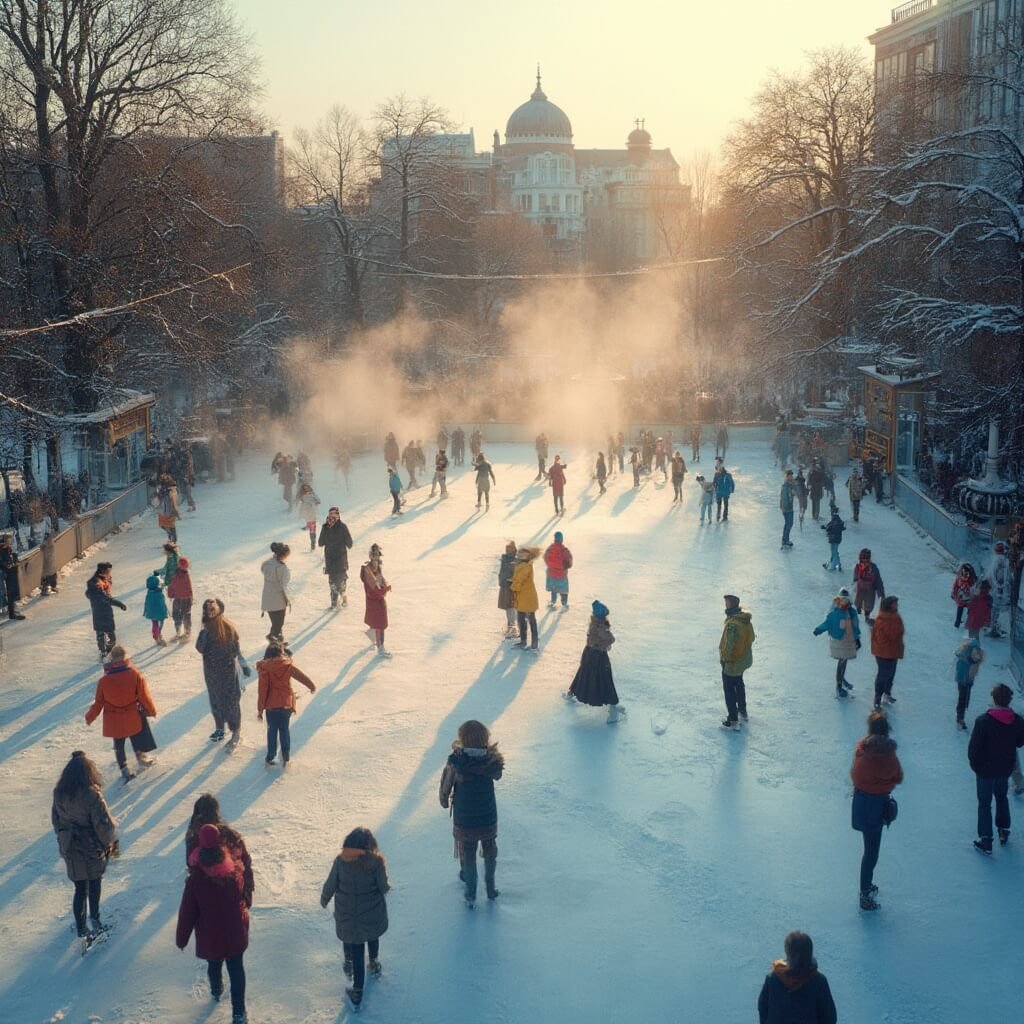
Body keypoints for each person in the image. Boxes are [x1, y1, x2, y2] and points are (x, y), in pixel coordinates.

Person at [176, 823, 250, 1024]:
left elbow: (187, 912)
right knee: (237, 971)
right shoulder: (234, 872)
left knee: (214, 964)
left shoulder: (195, 881)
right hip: (234, 933)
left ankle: (216, 990)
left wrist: (181, 939)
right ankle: (239, 1014)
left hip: (211, 936)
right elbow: (241, 900)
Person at [320, 827, 391, 1012]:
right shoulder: (376, 863)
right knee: (372, 936)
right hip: (372, 914)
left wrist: (324, 899)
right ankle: (374, 963)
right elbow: (384, 887)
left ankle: (352, 971)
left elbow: (330, 884)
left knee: (352, 941)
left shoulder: (340, 862)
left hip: (347, 915)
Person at [51, 751, 118, 947]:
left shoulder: (59, 793)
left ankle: (81, 927)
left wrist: (63, 839)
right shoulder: (92, 794)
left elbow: (55, 820)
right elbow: (103, 825)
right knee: (94, 883)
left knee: (80, 888)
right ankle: (95, 920)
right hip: (91, 846)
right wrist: (110, 845)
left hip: (70, 846)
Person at [438, 720, 504, 907]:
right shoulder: (491, 761)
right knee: (490, 848)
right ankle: (490, 889)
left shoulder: (456, 761)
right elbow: (498, 775)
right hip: (488, 816)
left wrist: (444, 799)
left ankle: (470, 892)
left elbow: (446, 783)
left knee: (468, 852)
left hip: (465, 818)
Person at [850, 710, 903, 910]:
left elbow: (855, 776)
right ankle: (865, 892)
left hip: (862, 803)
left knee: (869, 849)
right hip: (878, 805)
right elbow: (897, 777)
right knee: (872, 852)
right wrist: (882, 784)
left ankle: (866, 887)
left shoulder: (861, 750)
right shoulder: (889, 756)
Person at [85, 646, 158, 782]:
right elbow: (143, 696)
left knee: (119, 744)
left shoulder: (103, 681)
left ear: (111, 658)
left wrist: (90, 717)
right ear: (125, 657)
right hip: (132, 715)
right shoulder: (134, 674)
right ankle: (141, 758)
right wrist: (151, 710)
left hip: (113, 719)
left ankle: (124, 769)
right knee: (137, 736)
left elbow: (98, 703)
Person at [968, 683, 1024, 853]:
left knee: (984, 804)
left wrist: (976, 767)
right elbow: (1020, 742)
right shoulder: (1017, 721)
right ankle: (1004, 830)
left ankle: (986, 840)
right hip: (1004, 769)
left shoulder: (983, 721)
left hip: (985, 771)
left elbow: (973, 750)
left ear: (993, 698)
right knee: (1002, 798)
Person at [185, 794, 255, 911]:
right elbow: (246, 861)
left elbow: (191, 866)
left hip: (206, 900)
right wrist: (247, 895)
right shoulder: (231, 835)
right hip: (234, 894)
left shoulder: (194, 838)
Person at [196, 598, 251, 746]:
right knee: (215, 700)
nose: (210, 612)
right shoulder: (205, 630)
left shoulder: (228, 627)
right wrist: (205, 634)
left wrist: (243, 664)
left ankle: (235, 731)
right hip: (212, 673)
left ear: (219, 609)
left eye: (212, 609)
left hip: (227, 672)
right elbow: (200, 648)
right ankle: (219, 727)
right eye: (207, 610)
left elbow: (235, 649)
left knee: (231, 701)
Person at [757, 930, 837, 1024]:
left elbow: (762, 1008)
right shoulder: (819, 982)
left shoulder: (772, 979)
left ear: (788, 953)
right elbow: (830, 1018)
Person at [256, 642, 316, 767]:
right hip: (285, 704)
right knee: (284, 729)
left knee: (272, 731)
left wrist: (260, 709)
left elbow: (263, 690)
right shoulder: (287, 665)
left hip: (271, 707)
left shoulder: (264, 669)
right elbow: (301, 676)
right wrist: (311, 685)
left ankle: (270, 756)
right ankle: (286, 754)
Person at [565, 600, 624, 723]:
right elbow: (611, 639)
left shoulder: (595, 624)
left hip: (589, 654)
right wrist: (605, 640)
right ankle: (612, 708)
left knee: (583, 674)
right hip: (598, 656)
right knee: (604, 679)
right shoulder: (599, 626)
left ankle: (571, 693)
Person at [813, 588, 861, 699]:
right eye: (842, 600)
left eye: (846, 600)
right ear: (839, 600)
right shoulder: (835, 613)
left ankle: (842, 679)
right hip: (840, 642)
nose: (844, 603)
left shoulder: (851, 612)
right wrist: (818, 629)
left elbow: (855, 626)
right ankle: (839, 685)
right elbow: (827, 623)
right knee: (842, 661)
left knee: (844, 661)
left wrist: (857, 638)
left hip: (849, 641)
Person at [719, 594, 755, 730]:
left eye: (727, 603)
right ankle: (742, 711)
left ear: (732, 605)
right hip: (742, 661)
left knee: (729, 690)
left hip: (733, 663)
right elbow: (751, 638)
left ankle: (733, 719)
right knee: (739, 684)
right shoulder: (745, 620)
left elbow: (730, 646)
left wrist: (726, 659)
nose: (725, 605)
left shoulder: (733, 623)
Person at [85, 562, 126, 659]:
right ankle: (103, 652)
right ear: (103, 571)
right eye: (108, 571)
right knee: (102, 634)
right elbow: (105, 597)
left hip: (105, 611)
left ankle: (106, 650)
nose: (110, 573)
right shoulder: (96, 584)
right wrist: (119, 604)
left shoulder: (103, 580)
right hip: (100, 611)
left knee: (110, 636)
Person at [871, 596, 904, 710]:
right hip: (884, 653)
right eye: (895, 604)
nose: (897, 606)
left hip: (892, 651)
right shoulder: (883, 620)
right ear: (889, 605)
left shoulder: (894, 617)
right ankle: (877, 699)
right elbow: (891, 635)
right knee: (883, 675)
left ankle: (887, 694)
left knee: (891, 674)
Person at [319, 507, 354, 610]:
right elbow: (320, 543)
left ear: (338, 516)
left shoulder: (343, 527)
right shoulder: (325, 527)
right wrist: (325, 529)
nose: (332, 517)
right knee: (333, 583)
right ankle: (334, 602)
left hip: (340, 560)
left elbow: (350, 543)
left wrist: (343, 540)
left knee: (340, 582)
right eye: (331, 515)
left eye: (335, 515)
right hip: (330, 560)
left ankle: (343, 598)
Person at [361, 543, 391, 657]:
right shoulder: (368, 570)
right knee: (379, 625)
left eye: (378, 556)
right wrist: (384, 590)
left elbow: (381, 581)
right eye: (374, 555)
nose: (376, 558)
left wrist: (385, 586)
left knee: (378, 624)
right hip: (374, 600)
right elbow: (373, 588)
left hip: (378, 600)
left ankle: (374, 638)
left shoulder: (377, 568)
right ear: (370, 556)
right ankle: (380, 648)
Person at [510, 546, 541, 652]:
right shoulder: (522, 565)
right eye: (520, 554)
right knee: (522, 620)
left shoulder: (525, 566)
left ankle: (534, 644)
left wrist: (513, 586)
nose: (521, 556)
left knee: (531, 620)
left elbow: (519, 581)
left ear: (528, 556)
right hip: (523, 598)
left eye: (523, 554)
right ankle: (523, 642)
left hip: (527, 599)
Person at [260, 542, 291, 642]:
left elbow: (263, 571)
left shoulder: (266, 564)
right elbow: (284, 584)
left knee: (275, 622)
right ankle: (274, 640)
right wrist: (289, 600)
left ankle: (278, 639)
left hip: (268, 598)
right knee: (278, 623)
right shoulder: (282, 568)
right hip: (279, 599)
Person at [954, 636, 985, 730]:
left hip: (966, 680)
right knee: (963, 697)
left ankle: (960, 715)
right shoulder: (966, 656)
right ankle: (960, 717)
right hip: (964, 680)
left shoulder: (968, 654)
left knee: (964, 696)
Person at [985, 542, 1011, 637]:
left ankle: (994, 627)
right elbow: (993, 575)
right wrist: (999, 586)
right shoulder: (999, 560)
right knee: (995, 608)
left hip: (998, 589)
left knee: (996, 609)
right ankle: (992, 628)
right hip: (996, 590)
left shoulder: (1001, 560)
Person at [852, 548, 885, 624]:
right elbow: (855, 579)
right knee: (858, 603)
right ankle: (858, 616)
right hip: (860, 590)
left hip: (870, 591)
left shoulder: (873, 568)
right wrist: (854, 586)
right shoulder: (858, 567)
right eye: (863, 559)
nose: (865, 562)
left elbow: (878, 581)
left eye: (866, 559)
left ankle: (866, 617)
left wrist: (881, 593)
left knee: (868, 606)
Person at [543, 530, 573, 610]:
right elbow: (569, 562)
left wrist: (550, 565)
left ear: (555, 539)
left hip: (551, 574)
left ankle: (552, 602)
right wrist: (564, 567)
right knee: (563, 590)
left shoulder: (550, 548)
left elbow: (545, 557)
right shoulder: (564, 550)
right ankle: (564, 604)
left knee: (554, 588)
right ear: (561, 539)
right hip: (562, 575)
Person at [168, 556, 194, 642]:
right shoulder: (186, 574)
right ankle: (186, 632)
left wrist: (170, 595)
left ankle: (179, 630)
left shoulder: (175, 575)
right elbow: (189, 588)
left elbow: (171, 586)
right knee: (186, 615)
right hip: (186, 599)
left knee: (177, 614)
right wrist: (191, 598)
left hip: (178, 598)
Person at [497, 540, 518, 638]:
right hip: (506, 586)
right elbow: (502, 573)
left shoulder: (517, 560)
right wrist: (502, 581)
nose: (509, 550)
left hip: (513, 586)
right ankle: (511, 626)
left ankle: (514, 627)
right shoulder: (505, 559)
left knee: (513, 607)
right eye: (507, 548)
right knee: (509, 607)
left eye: (511, 548)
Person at [0, 533, 24, 619]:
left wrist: (15, 560)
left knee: (13, 593)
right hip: (7, 575)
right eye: (8, 541)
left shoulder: (9, 550)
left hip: (12, 573)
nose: (10, 543)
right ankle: (11, 613)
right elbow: (3, 562)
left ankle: (13, 612)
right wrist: (7, 565)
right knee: (9, 594)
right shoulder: (2, 551)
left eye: (10, 541)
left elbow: (14, 559)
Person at [143, 568, 169, 647]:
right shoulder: (159, 594)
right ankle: (158, 635)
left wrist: (146, 611)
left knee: (155, 624)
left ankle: (156, 635)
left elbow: (146, 603)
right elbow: (162, 604)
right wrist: (165, 611)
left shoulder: (149, 593)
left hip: (151, 612)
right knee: (160, 623)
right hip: (159, 612)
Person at [951, 563, 978, 628]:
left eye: (966, 577)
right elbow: (955, 586)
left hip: (970, 598)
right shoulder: (959, 579)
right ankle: (957, 622)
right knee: (960, 608)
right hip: (961, 598)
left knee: (971, 610)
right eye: (963, 577)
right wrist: (953, 593)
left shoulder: (973, 580)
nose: (964, 579)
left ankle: (969, 623)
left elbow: (976, 591)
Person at [296, 482, 321, 552]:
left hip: (312, 512)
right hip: (306, 512)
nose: (306, 489)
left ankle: (313, 542)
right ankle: (312, 540)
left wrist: (315, 502)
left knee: (312, 528)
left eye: (307, 487)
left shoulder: (312, 494)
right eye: (305, 488)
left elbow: (318, 500)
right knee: (311, 526)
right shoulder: (302, 495)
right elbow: (299, 501)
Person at [157, 473, 181, 542]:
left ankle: (169, 536)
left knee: (165, 527)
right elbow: (174, 505)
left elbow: (156, 501)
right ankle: (172, 546)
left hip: (161, 514)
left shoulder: (160, 489)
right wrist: (178, 515)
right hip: (170, 514)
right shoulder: (172, 491)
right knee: (174, 538)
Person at [821, 504, 845, 572]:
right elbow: (841, 527)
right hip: (838, 539)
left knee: (834, 552)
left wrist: (825, 528)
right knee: (835, 552)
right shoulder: (839, 520)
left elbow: (829, 527)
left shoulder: (833, 520)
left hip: (833, 539)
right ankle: (837, 564)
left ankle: (833, 566)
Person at [779, 470, 796, 548]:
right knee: (788, 524)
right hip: (787, 508)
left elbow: (794, 493)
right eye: (790, 476)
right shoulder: (785, 485)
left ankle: (786, 540)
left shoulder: (791, 484)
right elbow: (784, 497)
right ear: (787, 476)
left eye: (792, 476)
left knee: (789, 524)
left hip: (790, 507)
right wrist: (785, 507)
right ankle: (785, 541)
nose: (791, 477)